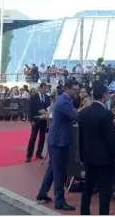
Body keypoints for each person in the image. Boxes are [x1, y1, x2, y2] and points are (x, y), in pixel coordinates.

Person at [78, 83, 115, 215]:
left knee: (87, 189)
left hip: (88, 157)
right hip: (104, 160)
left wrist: (82, 156)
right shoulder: (106, 114)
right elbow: (111, 140)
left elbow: (80, 138)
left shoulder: (83, 113)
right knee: (104, 193)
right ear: (104, 96)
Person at [36, 79, 79, 210]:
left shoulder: (64, 99)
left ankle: (43, 193)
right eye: (74, 88)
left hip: (56, 139)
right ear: (67, 88)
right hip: (59, 140)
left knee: (52, 168)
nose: (76, 91)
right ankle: (59, 200)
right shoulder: (64, 102)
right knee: (59, 171)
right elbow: (75, 115)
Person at [25, 83, 50, 162]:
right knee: (33, 137)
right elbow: (30, 109)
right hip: (35, 120)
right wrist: (31, 120)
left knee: (42, 137)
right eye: (44, 88)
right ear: (40, 88)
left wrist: (46, 112)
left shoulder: (47, 97)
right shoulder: (33, 97)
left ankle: (39, 153)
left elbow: (49, 107)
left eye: (46, 89)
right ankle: (29, 155)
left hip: (44, 120)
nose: (45, 90)